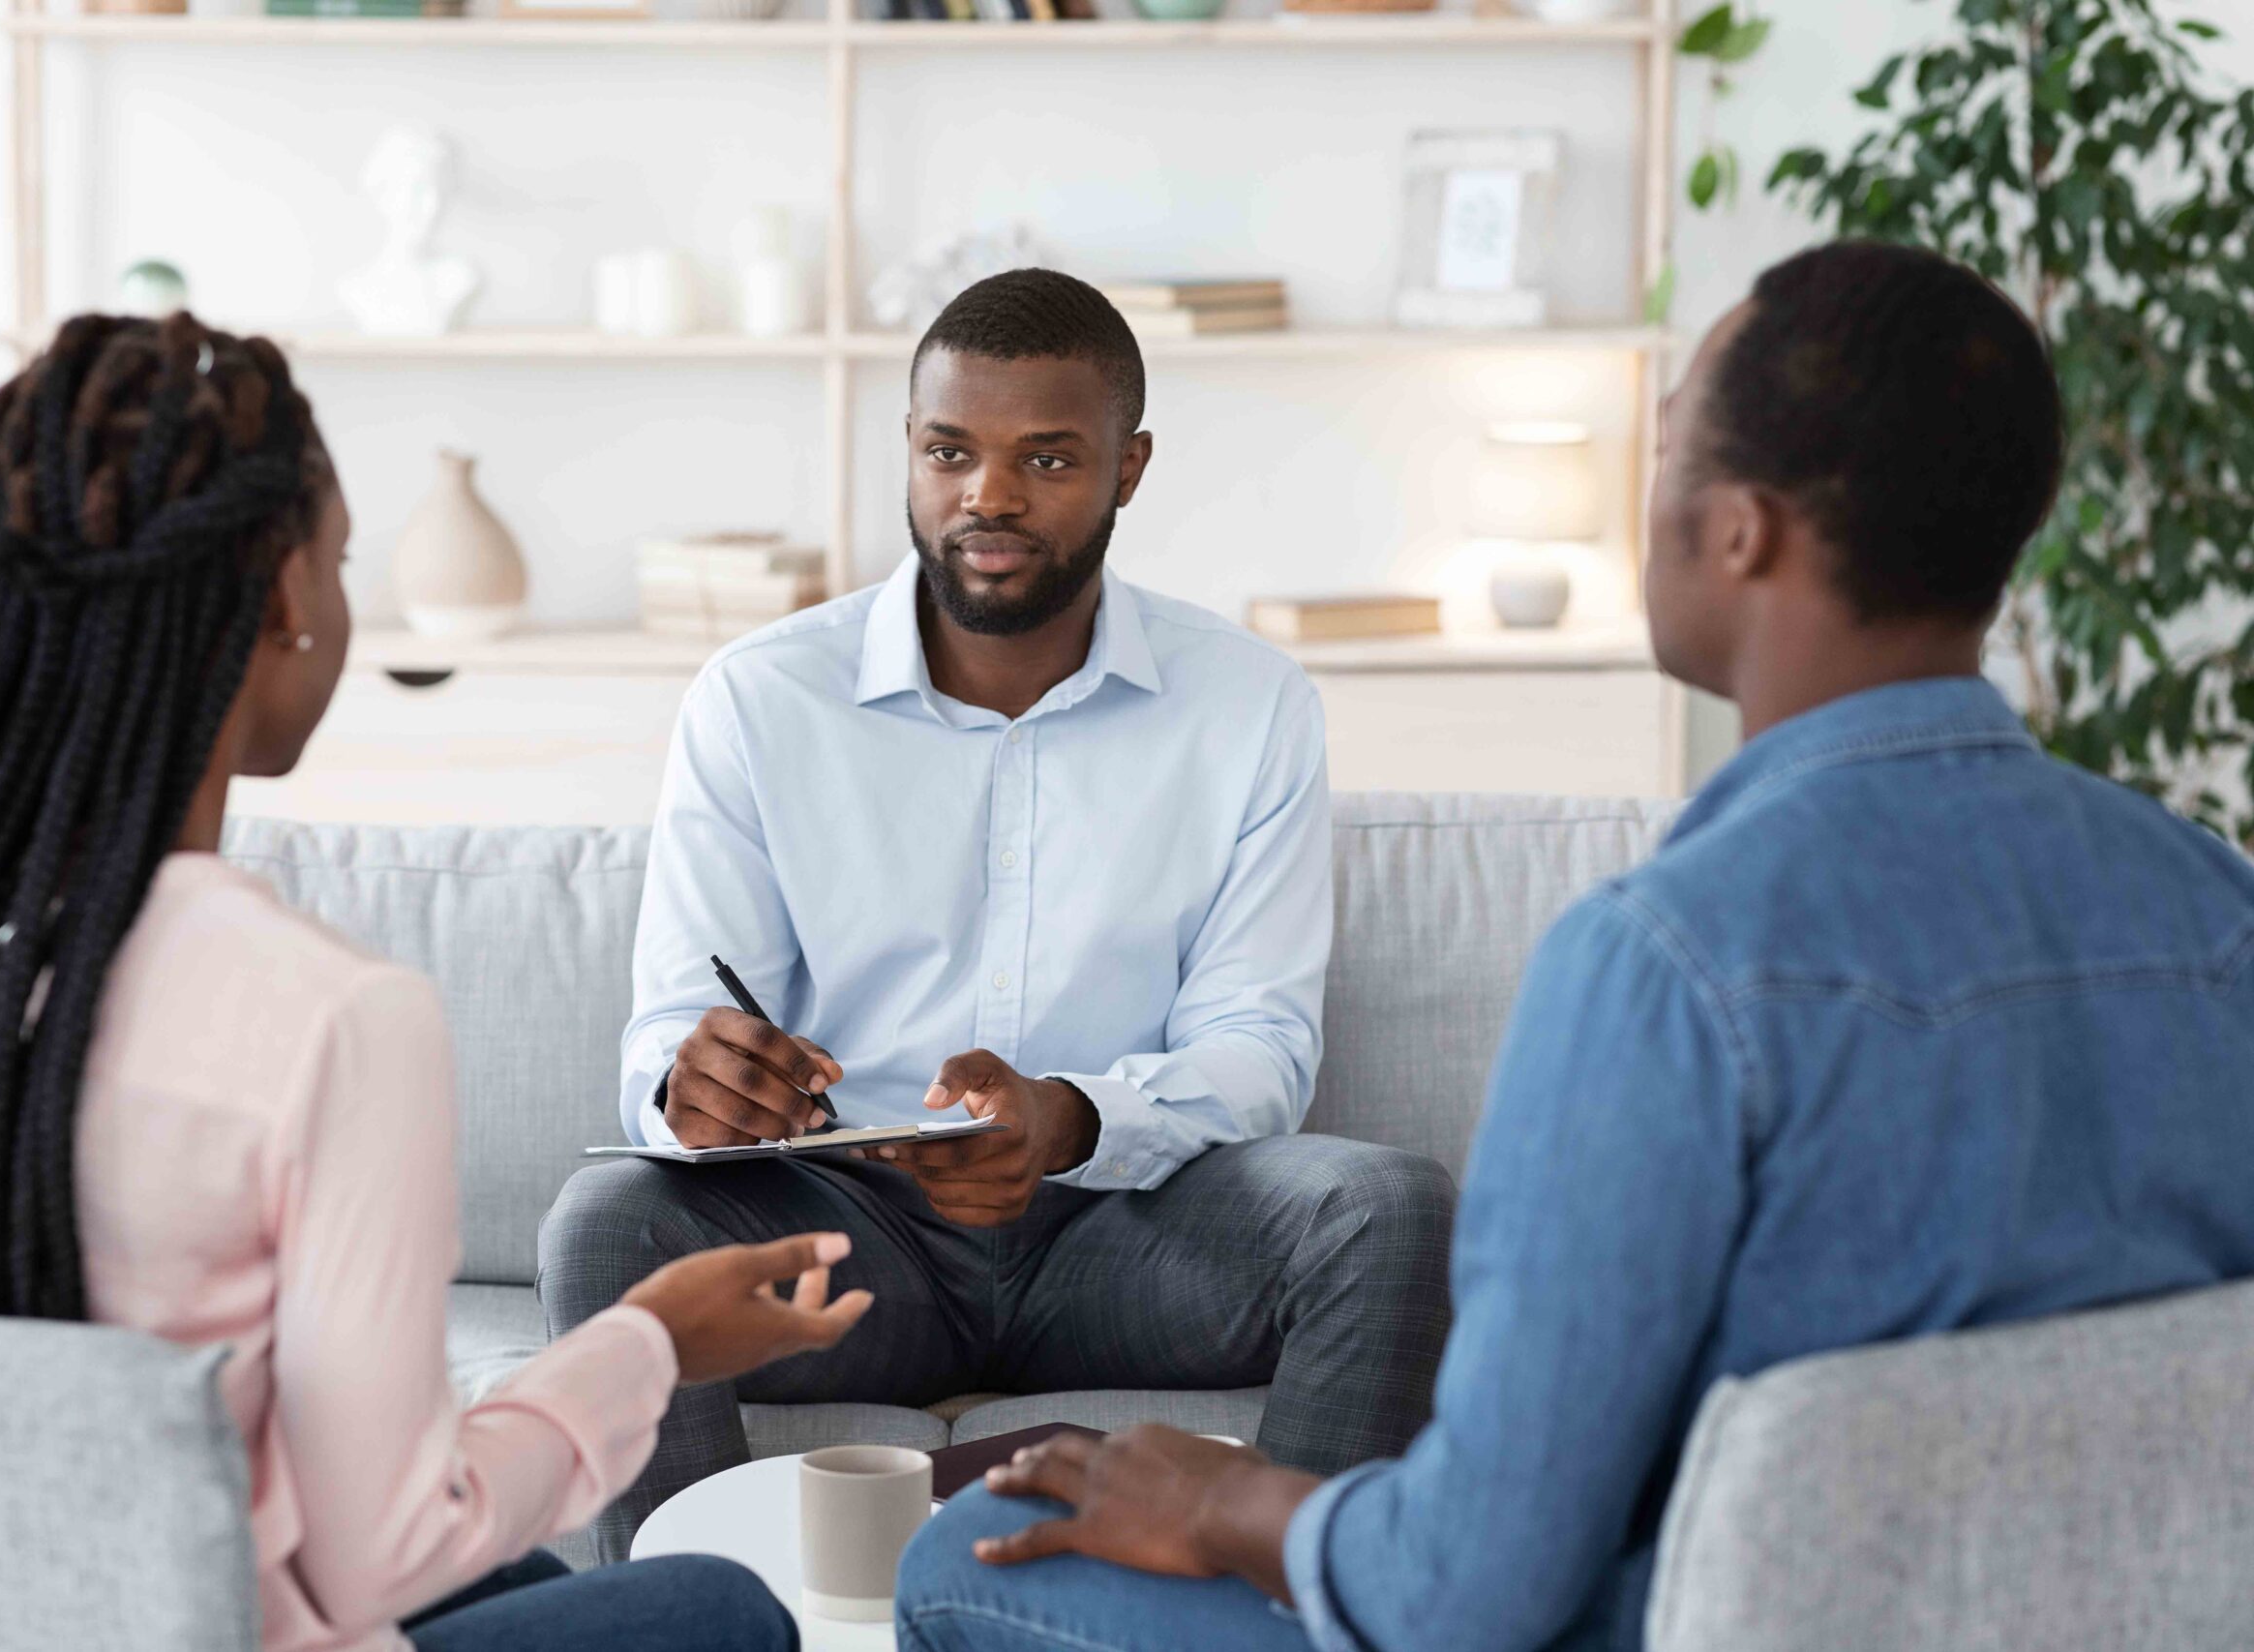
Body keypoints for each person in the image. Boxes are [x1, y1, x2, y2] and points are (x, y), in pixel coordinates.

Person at [890, 240, 2254, 1652]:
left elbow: (1468, 1592)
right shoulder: (2218, 906)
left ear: (1742, 532)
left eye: (1665, 452)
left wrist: (1222, 1505)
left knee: (962, 1559)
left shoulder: (1666, 967)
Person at [0, 314, 873, 1652]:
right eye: (343, 559)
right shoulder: (329, 1019)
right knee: (719, 1610)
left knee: (540, 1593)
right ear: (288, 596)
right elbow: (383, 1559)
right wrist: (648, 1341)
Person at [539, 269, 1457, 1561]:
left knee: (1390, 1207)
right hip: (846, 1239)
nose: (990, 495)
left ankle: (1277, 1634)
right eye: (950, 451)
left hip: (1127, 1234)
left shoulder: (1251, 707)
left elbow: (1260, 1048)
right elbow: (673, 1033)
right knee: (606, 1223)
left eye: (1047, 458)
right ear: (908, 453)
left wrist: (1067, 1117)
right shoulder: (760, 700)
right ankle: (693, 1625)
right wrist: (692, 1093)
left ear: (1129, 469)